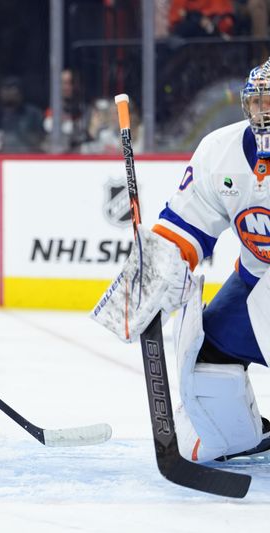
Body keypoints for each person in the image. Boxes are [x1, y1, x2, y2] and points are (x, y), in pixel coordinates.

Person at [92, 58, 270, 464]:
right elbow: (186, 226)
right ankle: (239, 438)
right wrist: (152, 274)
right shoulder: (220, 150)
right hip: (254, 279)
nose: (264, 112)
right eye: (259, 102)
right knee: (207, 365)